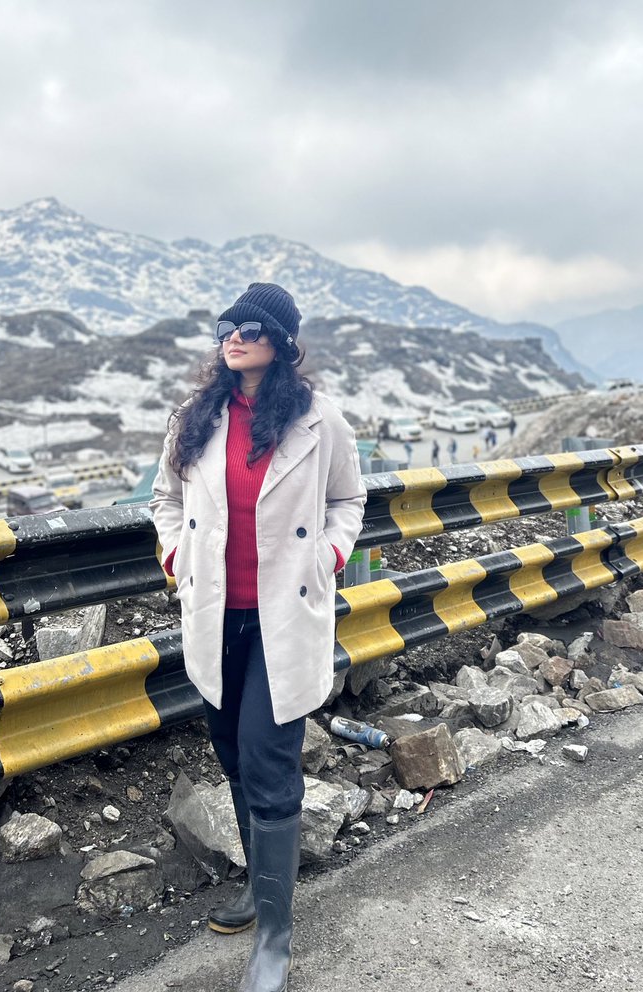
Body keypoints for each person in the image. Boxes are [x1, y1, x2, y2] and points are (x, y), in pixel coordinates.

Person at [150, 282, 365, 990]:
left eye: (250, 327)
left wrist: (327, 555)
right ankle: (255, 890)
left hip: (283, 614)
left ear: (282, 342)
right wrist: (174, 556)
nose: (233, 336)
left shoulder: (318, 419)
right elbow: (166, 498)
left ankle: (274, 939)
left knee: (270, 771)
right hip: (215, 614)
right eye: (226, 326)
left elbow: (346, 499)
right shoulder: (195, 415)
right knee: (235, 760)